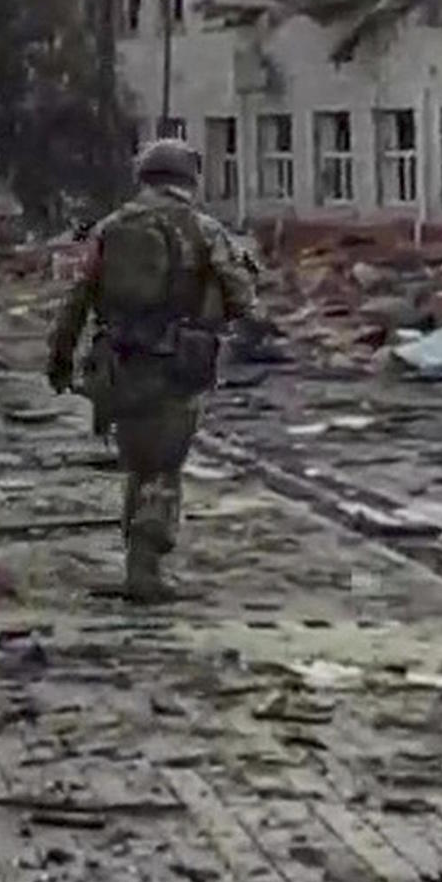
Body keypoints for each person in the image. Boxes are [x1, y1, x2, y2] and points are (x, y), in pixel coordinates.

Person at [45, 138, 256, 602]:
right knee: (165, 467)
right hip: (181, 361)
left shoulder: (110, 227)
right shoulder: (203, 229)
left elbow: (77, 297)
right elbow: (241, 294)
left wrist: (59, 358)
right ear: (189, 180)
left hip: (119, 362)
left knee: (137, 463)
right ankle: (146, 569)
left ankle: (134, 563)